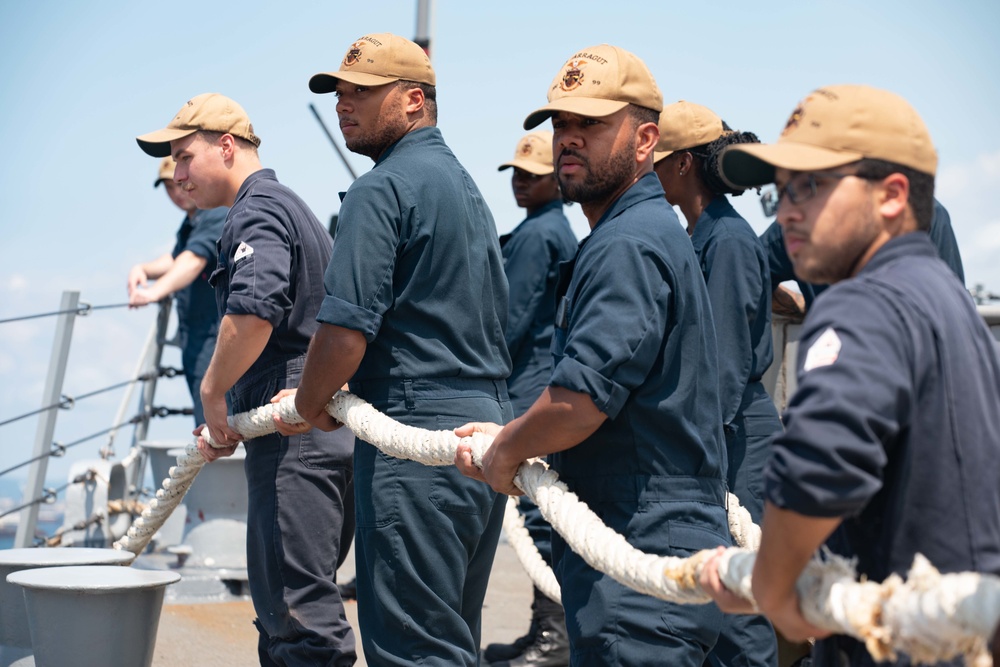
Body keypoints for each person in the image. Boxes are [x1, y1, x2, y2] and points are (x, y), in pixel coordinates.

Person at [699, 84, 1000, 667]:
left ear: (891, 196)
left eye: (811, 186)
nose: (787, 209)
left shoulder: (862, 305)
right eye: (782, 191)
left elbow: (816, 468)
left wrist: (775, 590)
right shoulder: (945, 301)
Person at [456, 44, 733, 666]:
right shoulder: (636, 233)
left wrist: (505, 449)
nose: (569, 139)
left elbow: (579, 403)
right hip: (644, 544)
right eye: (561, 124)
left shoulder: (627, 245)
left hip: (639, 554)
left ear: (645, 141)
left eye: (592, 124)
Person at [295, 33, 512, 666]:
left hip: (412, 434)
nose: (344, 104)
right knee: (449, 642)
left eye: (361, 92)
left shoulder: (380, 191)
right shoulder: (465, 188)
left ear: (414, 100)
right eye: (339, 93)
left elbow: (343, 333)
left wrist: (312, 402)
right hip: (478, 432)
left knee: (411, 650)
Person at [136, 93, 356, 667]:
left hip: (293, 432)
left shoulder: (256, 210)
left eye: (185, 157)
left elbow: (255, 311)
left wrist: (212, 394)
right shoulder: (286, 204)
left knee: (300, 618)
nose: (178, 175)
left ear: (227, 146)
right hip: (309, 416)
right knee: (297, 605)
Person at [652, 101, 778, 667]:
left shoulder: (724, 240)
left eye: (657, 161)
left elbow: (724, 365)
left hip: (735, 433)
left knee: (737, 601)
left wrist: (700, 448)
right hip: (723, 427)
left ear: (682, 165)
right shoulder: (702, 233)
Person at [483, 131, 577, 667]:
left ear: (554, 181)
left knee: (538, 516)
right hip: (539, 377)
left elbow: (507, 321)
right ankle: (543, 633)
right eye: (515, 174)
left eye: (531, 174)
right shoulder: (550, 230)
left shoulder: (541, 236)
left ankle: (553, 638)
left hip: (525, 382)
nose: (520, 182)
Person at [126, 156, 227, 425]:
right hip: (196, 335)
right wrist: (144, 270)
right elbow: (177, 258)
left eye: (179, 183)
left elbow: (193, 260)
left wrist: (153, 292)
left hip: (215, 335)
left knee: (214, 418)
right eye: (168, 188)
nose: (176, 193)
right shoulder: (192, 220)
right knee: (205, 415)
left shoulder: (216, 213)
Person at [760, 199, 965, 316]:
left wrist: (806, 305)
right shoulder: (926, 212)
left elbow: (749, 276)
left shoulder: (800, 219)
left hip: (836, 374)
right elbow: (955, 310)